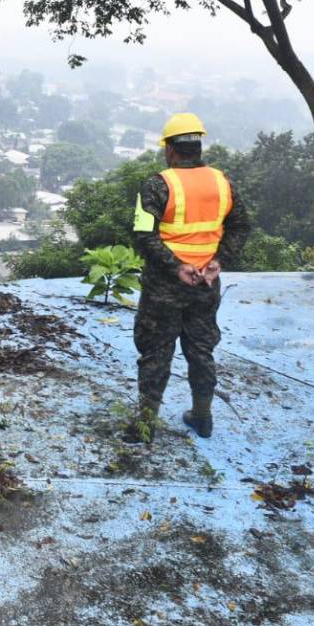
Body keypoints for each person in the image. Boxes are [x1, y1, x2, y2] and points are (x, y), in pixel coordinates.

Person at [125, 113, 250, 444]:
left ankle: (146, 424)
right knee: (201, 350)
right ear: (197, 146)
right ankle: (203, 416)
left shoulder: (157, 184)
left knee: (156, 353)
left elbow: (142, 234)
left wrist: (175, 265)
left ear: (170, 149)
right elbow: (240, 225)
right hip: (206, 287)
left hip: (165, 288)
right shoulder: (223, 182)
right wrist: (218, 262)